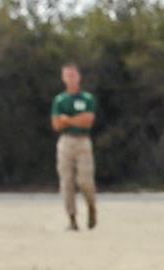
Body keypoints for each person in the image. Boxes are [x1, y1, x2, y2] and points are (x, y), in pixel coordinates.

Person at [50, 64, 98, 232]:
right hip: (66, 141)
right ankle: (72, 218)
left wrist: (68, 120)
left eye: (73, 75)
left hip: (83, 141)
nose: (71, 79)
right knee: (67, 181)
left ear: (79, 77)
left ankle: (92, 206)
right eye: (67, 76)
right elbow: (56, 124)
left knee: (85, 180)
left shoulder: (87, 98)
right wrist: (71, 120)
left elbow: (88, 120)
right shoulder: (60, 100)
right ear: (63, 78)